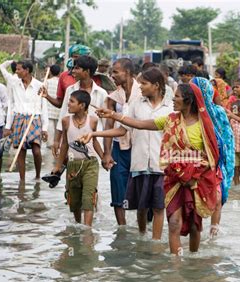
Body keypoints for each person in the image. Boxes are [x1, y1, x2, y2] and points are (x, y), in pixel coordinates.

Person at [89, 83, 220, 254]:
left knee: (195, 226)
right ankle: (175, 264)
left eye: (178, 96)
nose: (173, 98)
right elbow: (141, 124)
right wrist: (113, 115)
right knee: (173, 223)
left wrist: (193, 175)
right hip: (174, 180)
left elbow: (211, 155)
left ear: (188, 101)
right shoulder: (171, 120)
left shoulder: (203, 125)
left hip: (196, 181)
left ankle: (193, 262)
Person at [80, 68, 173, 239]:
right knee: (141, 206)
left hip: (162, 164)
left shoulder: (171, 107)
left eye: (144, 84)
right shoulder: (136, 104)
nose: (140, 87)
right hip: (139, 161)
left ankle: (156, 242)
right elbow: (122, 130)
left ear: (157, 85)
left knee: (159, 206)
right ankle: (142, 236)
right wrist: (95, 134)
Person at [191, 77, 235, 237]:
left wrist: (222, 160)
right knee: (199, 198)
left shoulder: (218, 112)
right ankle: (200, 232)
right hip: (195, 163)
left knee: (217, 197)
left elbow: (227, 138)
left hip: (217, 162)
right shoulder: (189, 114)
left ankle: (213, 232)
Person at [52, 90, 101, 227]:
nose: (68, 104)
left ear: (82, 105)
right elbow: (65, 145)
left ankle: (87, 230)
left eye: (72, 101)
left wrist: (104, 157)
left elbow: (95, 141)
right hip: (72, 165)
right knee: (74, 201)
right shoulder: (66, 121)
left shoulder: (93, 121)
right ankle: (78, 225)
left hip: (90, 163)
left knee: (88, 198)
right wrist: (58, 166)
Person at [103, 58, 141, 226]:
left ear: (128, 73)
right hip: (120, 147)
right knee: (118, 188)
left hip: (141, 147)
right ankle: (122, 229)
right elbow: (109, 125)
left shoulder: (143, 93)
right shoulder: (113, 97)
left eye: (116, 72)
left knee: (143, 189)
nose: (112, 75)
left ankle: (143, 229)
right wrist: (107, 153)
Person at [49, 55, 107, 159]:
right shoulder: (70, 90)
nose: (72, 71)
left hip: (93, 145)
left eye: (77, 68)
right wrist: (56, 140)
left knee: (91, 172)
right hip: (72, 142)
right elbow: (63, 115)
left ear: (87, 71)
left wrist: (106, 153)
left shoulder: (102, 93)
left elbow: (106, 123)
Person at [3, 60, 49, 181]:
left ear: (27, 70)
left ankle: (38, 176)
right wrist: (8, 125)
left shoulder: (40, 85)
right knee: (20, 150)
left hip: (35, 119)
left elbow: (44, 107)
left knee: (36, 150)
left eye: (19, 69)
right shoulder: (14, 84)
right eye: (16, 69)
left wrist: (45, 128)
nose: (16, 72)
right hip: (19, 118)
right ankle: (22, 180)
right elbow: (11, 105)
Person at [42, 45, 100, 109]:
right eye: (73, 57)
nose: (74, 60)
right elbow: (61, 103)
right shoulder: (64, 76)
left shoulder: (97, 78)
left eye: (76, 57)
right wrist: (47, 96)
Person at [46, 64, 61, 147]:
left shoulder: (47, 82)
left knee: (50, 138)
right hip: (58, 111)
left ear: (50, 72)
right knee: (57, 133)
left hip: (49, 112)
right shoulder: (61, 82)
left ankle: (50, 147)